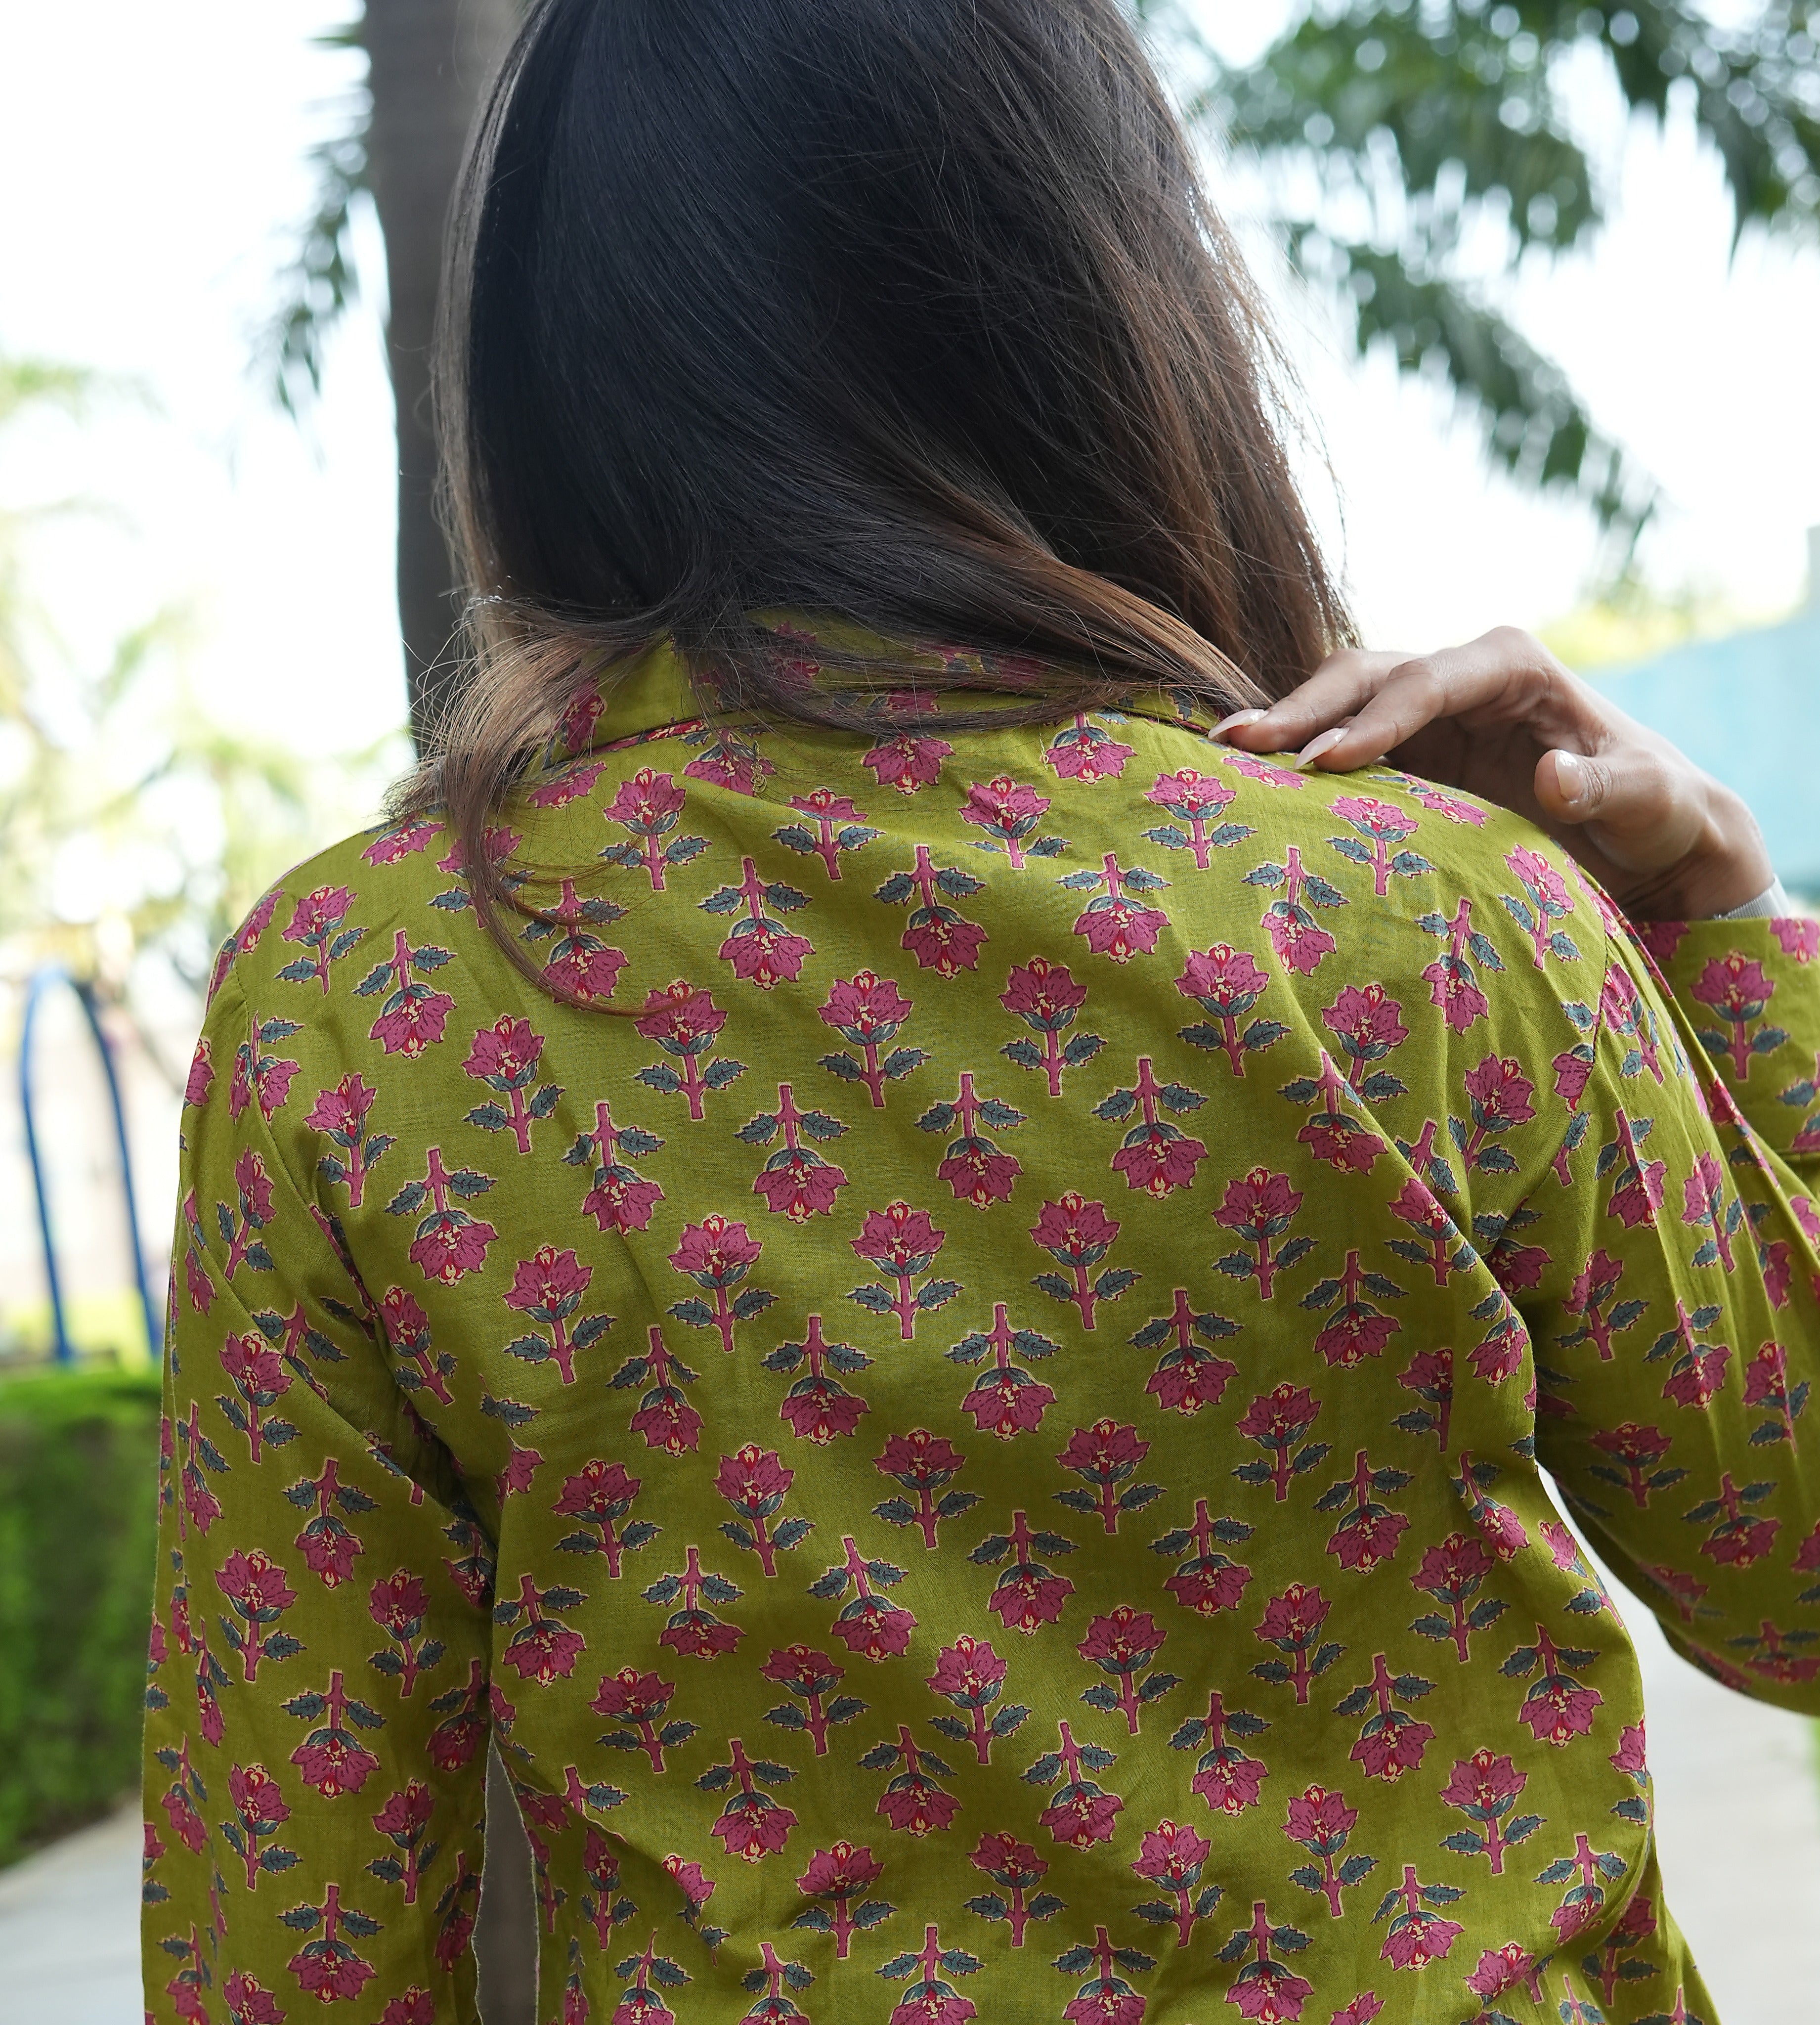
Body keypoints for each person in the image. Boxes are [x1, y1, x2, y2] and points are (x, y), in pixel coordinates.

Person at [141, 2, 1820, 2020]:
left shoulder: (368, 999)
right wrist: (1727, 920)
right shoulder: (1423, 920)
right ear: (1104, 303)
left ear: (555, 368)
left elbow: (288, 1932)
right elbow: (1795, 1574)